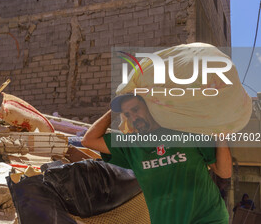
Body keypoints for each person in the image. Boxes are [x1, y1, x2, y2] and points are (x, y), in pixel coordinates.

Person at [81, 94, 232, 224]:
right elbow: (89, 140)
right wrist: (113, 111)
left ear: (150, 106)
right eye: (127, 114)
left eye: (135, 109)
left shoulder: (186, 132)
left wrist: (221, 138)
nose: (133, 117)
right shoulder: (129, 144)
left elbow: (224, 172)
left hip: (208, 218)